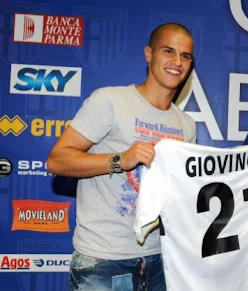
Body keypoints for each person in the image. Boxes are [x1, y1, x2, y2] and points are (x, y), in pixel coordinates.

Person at [46, 23, 196, 291]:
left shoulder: (186, 124)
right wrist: (120, 159)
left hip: (159, 260)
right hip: (103, 260)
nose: (177, 62)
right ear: (149, 54)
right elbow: (56, 160)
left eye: (185, 56)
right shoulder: (111, 101)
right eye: (168, 51)